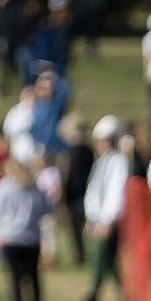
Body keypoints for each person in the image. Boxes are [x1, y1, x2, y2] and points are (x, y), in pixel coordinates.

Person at [0, 156, 51, 301]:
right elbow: (46, 209)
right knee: (33, 274)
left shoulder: (1, 188)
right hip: (31, 237)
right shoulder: (33, 187)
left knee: (14, 275)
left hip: (8, 237)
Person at [81, 115, 130, 301]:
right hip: (99, 219)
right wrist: (91, 218)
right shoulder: (102, 162)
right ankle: (126, 296)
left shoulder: (118, 162)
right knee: (107, 262)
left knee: (101, 259)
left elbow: (115, 193)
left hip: (108, 221)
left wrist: (107, 220)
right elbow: (94, 192)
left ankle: (92, 296)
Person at [60, 113, 94, 266]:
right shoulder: (89, 151)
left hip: (76, 196)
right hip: (87, 195)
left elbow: (67, 176)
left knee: (77, 229)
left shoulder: (69, 154)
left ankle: (81, 256)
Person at [28, 71, 70, 157]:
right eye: (41, 88)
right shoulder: (34, 107)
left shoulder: (56, 105)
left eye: (47, 88)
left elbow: (67, 90)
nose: (43, 92)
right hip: (38, 151)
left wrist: (53, 77)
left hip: (56, 150)